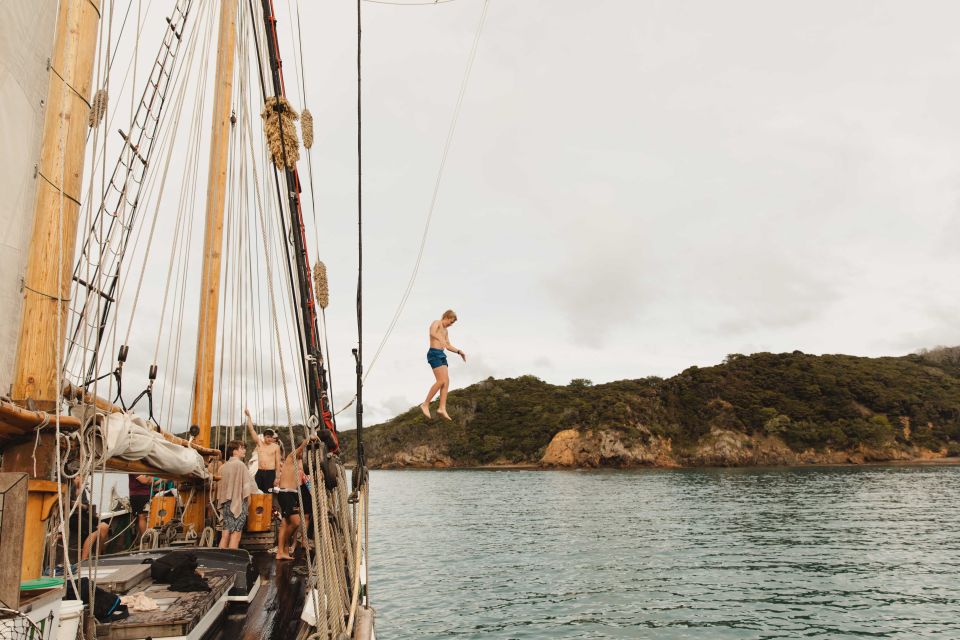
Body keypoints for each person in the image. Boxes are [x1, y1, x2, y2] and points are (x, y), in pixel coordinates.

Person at [275, 435, 317, 561]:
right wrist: (309, 439)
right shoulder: (290, 457)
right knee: (296, 522)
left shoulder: (301, 463)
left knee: (285, 523)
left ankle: (281, 551)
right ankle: (282, 548)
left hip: (291, 493)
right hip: (286, 492)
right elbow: (300, 449)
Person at [421, 309, 466, 420]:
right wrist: (439, 338)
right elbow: (431, 332)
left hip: (441, 354)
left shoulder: (445, 331)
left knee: (446, 381)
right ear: (446, 317)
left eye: (452, 323)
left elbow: (448, 345)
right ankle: (425, 404)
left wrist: (459, 351)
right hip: (434, 353)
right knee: (440, 381)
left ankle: (442, 408)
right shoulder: (437, 322)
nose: (451, 325)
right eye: (451, 322)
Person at [215, 439, 256, 549]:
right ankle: (232, 563)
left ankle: (220, 560)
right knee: (236, 535)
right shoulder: (241, 465)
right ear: (234, 451)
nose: (244, 450)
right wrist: (247, 506)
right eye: (242, 448)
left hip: (226, 504)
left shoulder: (223, 467)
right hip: (238, 503)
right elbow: (249, 488)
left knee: (225, 534)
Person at [72, 476, 110, 561]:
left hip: (83, 514)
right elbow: (64, 502)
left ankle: (98, 555)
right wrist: (76, 489)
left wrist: (82, 505)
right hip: (72, 517)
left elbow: (86, 505)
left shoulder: (82, 490)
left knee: (104, 526)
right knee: (93, 531)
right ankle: (84, 560)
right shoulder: (69, 487)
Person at [245, 408, 282, 493]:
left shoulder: (276, 447)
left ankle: (268, 506)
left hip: (270, 473)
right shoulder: (260, 444)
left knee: (268, 494)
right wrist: (249, 417)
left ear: (273, 437)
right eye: (267, 437)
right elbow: (251, 430)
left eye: (270, 437)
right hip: (260, 472)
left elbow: (277, 463)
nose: (269, 439)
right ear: (264, 437)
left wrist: (277, 477)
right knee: (257, 493)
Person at [128, 474, 154, 541]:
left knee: (144, 516)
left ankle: (144, 538)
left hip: (144, 495)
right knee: (142, 516)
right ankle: (145, 540)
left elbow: (150, 481)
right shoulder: (134, 469)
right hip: (138, 495)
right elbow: (144, 481)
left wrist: (149, 478)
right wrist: (151, 474)